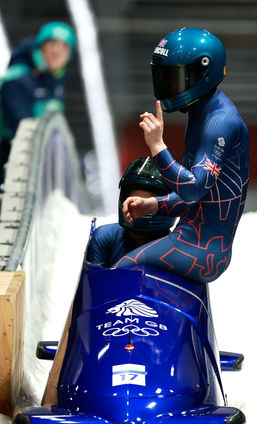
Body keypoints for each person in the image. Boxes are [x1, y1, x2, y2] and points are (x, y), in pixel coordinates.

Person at [113, 27, 250, 284]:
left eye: (175, 79)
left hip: (204, 251)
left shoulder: (218, 122)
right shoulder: (203, 112)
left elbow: (194, 190)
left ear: (202, 72)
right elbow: (204, 199)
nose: (168, 88)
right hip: (193, 241)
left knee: (121, 268)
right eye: (164, 78)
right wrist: (152, 205)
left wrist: (157, 146)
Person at [0, 21, 76, 181]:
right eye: (52, 43)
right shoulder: (17, 80)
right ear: (40, 47)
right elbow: (22, 131)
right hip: (10, 162)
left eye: (65, 47)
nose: (57, 51)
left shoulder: (55, 82)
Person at [88, 156, 176, 266]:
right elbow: (94, 280)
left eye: (144, 208)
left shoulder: (177, 251)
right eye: (132, 205)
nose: (136, 215)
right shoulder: (105, 238)